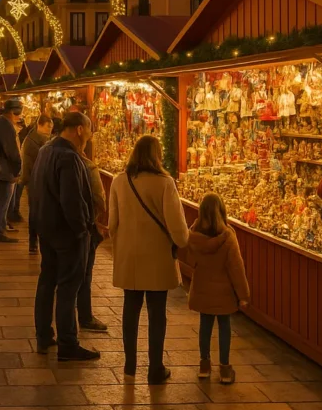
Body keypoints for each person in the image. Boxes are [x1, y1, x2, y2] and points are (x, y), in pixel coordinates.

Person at [109, 135, 190, 384]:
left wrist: (122, 244)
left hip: (129, 258)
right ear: (156, 154)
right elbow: (178, 228)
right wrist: (182, 241)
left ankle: (130, 365)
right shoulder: (164, 183)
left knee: (130, 310)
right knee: (157, 314)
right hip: (157, 257)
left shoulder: (119, 181)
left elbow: (112, 224)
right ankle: (155, 368)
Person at [31, 111, 99, 361]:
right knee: (69, 286)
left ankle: (43, 334)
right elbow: (72, 199)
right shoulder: (69, 157)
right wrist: (82, 228)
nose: (90, 136)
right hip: (67, 232)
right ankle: (68, 343)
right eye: (89, 129)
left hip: (46, 228)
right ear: (79, 129)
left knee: (47, 281)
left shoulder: (46, 150)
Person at [187, 194, 250, 385]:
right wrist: (243, 295)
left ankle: (204, 366)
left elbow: (190, 259)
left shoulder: (194, 235)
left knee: (204, 327)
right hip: (224, 294)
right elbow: (236, 268)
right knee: (224, 327)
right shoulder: (228, 237)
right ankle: (224, 369)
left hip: (203, 290)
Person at [77, 135, 109, 333]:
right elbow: (100, 198)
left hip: (60, 227)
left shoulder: (51, 156)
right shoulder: (89, 167)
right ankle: (85, 315)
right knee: (85, 273)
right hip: (86, 225)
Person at [0, 99, 23, 243]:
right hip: (5, 169)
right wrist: (17, 168)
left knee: (1, 200)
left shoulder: (0, 122)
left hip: (0, 167)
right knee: (2, 200)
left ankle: (1, 225)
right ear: (14, 111)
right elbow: (11, 150)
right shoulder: (4, 125)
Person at [20, 114, 53, 255]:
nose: (50, 129)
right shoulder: (32, 142)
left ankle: (39, 241)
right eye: (48, 126)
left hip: (39, 181)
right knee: (35, 213)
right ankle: (33, 242)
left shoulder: (42, 140)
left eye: (51, 127)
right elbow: (31, 165)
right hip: (34, 181)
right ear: (39, 124)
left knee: (40, 212)